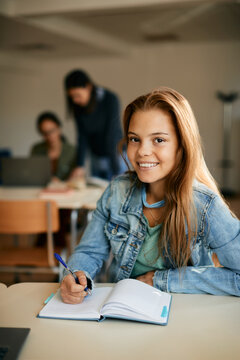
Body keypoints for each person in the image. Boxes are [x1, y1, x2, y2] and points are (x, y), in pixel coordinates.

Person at [60, 87, 240, 304]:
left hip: (185, 318)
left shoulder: (205, 205)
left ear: (182, 146)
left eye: (158, 140)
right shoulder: (117, 191)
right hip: (122, 311)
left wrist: (162, 280)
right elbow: (89, 251)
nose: (142, 151)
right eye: (135, 139)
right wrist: (78, 274)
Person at [64, 69, 125, 181]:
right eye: (72, 97)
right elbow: (82, 136)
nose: (75, 100)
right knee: (98, 194)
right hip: (96, 157)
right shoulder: (78, 107)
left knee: (119, 192)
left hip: (116, 156)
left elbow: (111, 134)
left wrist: (116, 170)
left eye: (77, 95)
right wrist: (80, 165)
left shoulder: (110, 99)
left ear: (88, 87)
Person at [31, 111, 76, 181]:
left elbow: (76, 177)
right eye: (45, 133)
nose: (50, 136)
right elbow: (32, 173)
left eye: (52, 131)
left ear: (59, 129)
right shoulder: (36, 149)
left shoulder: (72, 151)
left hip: (64, 189)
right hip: (42, 189)